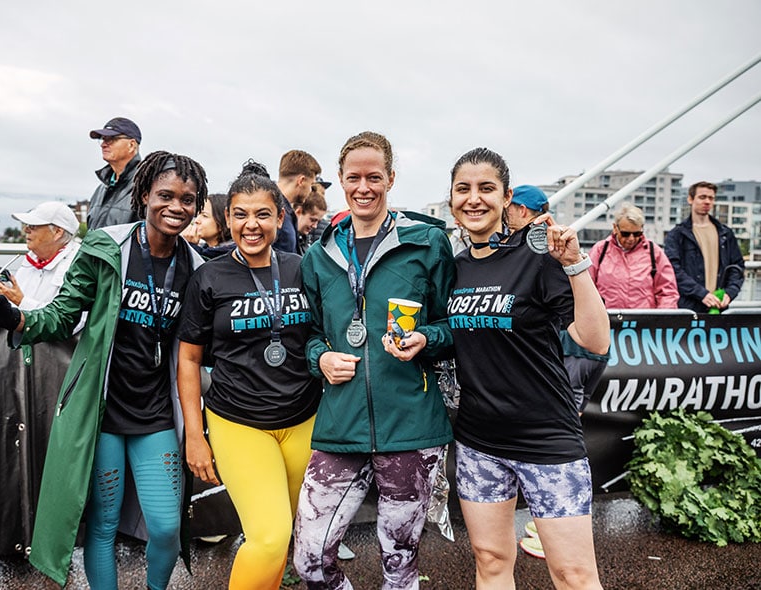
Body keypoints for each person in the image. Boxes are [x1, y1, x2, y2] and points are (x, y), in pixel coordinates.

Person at [0, 151, 208, 590]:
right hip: (101, 410)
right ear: (144, 194)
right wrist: (14, 317)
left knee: (167, 528)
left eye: (188, 199)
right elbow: (60, 316)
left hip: (156, 413)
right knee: (103, 523)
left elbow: (202, 347)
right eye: (165, 195)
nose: (177, 207)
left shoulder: (197, 266)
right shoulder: (105, 247)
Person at [293, 131, 456, 589]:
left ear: (391, 178)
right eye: (353, 178)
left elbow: (454, 326)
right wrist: (320, 358)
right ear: (340, 180)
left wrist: (426, 337)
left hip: (411, 425)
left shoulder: (426, 243)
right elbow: (308, 334)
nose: (363, 187)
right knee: (309, 556)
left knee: (400, 558)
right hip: (341, 425)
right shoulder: (320, 255)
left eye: (374, 177)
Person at [447, 147, 609, 589]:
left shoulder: (538, 259)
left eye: (486, 188)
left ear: (506, 197)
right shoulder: (453, 269)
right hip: (479, 442)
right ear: (451, 199)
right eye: (463, 189)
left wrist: (575, 265)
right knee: (491, 560)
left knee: (574, 574)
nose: (474, 199)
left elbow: (595, 340)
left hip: (547, 439)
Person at [177, 160, 321, 589]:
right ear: (227, 218)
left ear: (281, 217)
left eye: (262, 214)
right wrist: (196, 435)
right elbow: (188, 360)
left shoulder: (303, 268)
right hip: (238, 423)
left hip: (303, 421)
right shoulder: (209, 276)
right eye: (240, 214)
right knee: (269, 535)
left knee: (285, 536)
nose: (251, 225)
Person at [664, 181, 745, 313]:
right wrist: (701, 294)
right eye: (702, 197)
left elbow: (737, 266)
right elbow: (672, 270)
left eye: (711, 198)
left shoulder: (725, 233)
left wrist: (729, 293)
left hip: (719, 308)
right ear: (690, 199)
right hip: (688, 308)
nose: (707, 202)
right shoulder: (677, 235)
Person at [587, 202, 678, 309]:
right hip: (606, 320)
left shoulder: (655, 252)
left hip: (644, 321)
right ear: (615, 228)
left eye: (637, 234)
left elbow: (668, 292)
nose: (631, 238)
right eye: (625, 234)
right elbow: (586, 287)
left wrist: (662, 319)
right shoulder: (600, 250)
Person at [0, 201, 81, 310]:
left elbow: (73, 320)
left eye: (32, 226)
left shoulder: (77, 266)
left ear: (58, 232)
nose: (25, 230)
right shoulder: (33, 258)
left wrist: (20, 301)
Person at [87, 117, 142, 230]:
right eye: (102, 139)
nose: (103, 144)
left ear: (131, 145)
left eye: (111, 139)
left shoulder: (146, 187)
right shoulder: (100, 191)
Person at [273, 149, 322, 253]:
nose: (310, 191)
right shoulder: (273, 210)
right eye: (311, 185)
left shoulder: (282, 210)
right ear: (301, 181)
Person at [184, 193, 234, 259]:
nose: (197, 220)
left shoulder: (229, 256)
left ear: (221, 222)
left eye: (205, 216)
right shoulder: (205, 250)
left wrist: (191, 247)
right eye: (198, 214)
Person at [294, 183, 327, 255]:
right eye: (313, 220)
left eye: (318, 222)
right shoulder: (287, 239)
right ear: (299, 212)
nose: (315, 226)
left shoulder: (303, 239)